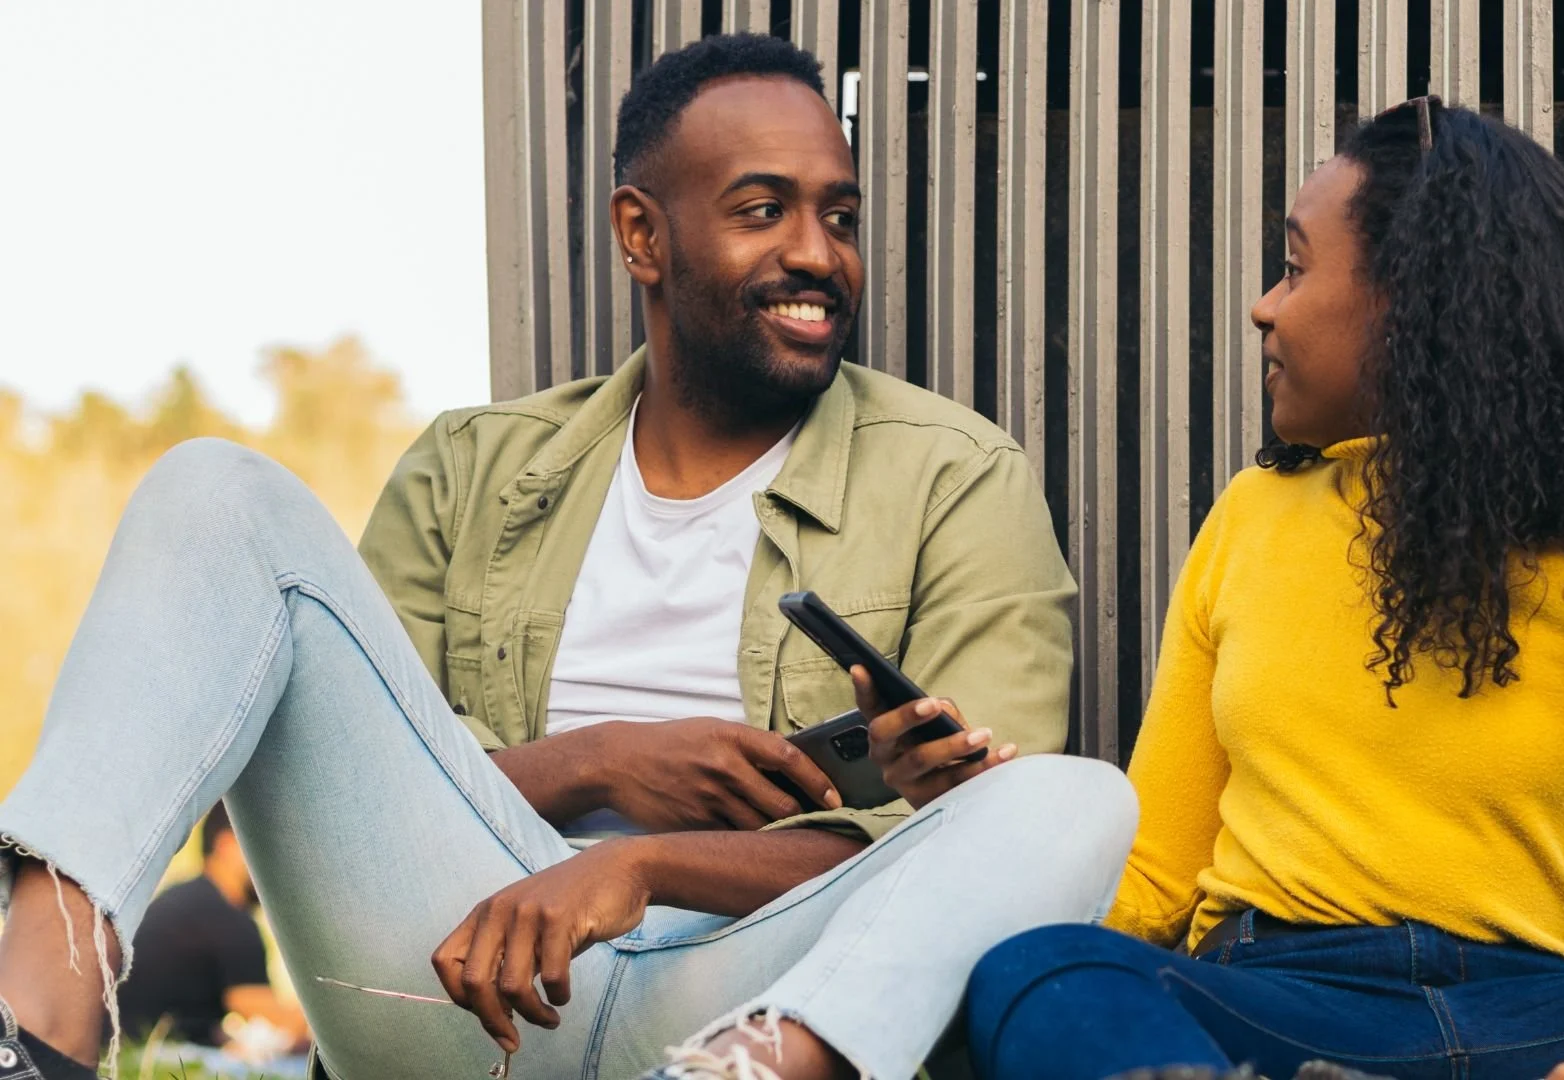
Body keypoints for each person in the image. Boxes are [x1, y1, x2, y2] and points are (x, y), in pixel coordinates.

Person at [0, 34, 1136, 1080]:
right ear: (643, 233)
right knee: (212, 487)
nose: (816, 254)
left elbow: (954, 862)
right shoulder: (469, 466)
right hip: (459, 963)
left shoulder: (956, 476)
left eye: (838, 216)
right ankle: (33, 1034)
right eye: (763, 210)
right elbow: (342, 785)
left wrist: (640, 867)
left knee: (1071, 802)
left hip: (754, 983)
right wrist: (597, 766)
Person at [965, 97, 1564, 1080]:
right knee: (1043, 969)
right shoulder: (1252, 517)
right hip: (1282, 1007)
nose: (1264, 305)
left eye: (1295, 268)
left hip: (1539, 1027)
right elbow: (1155, 881)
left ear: (1411, 305)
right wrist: (980, 845)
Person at [120, 803, 308, 1052]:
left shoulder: (182, 898)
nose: (275, 867)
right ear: (226, 845)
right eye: (265, 850)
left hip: (127, 1046)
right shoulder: (228, 919)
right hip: (162, 1052)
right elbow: (278, 1021)